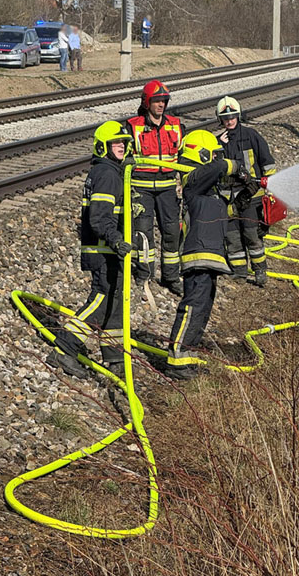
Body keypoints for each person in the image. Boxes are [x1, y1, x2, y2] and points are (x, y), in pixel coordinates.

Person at [47, 121, 140, 379]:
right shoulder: (108, 174)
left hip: (107, 250)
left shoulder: (108, 171)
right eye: (116, 143)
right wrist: (117, 241)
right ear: (103, 147)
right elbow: (99, 218)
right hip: (103, 251)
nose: (122, 145)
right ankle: (65, 347)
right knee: (101, 299)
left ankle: (113, 358)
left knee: (114, 302)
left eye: (123, 141)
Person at [166, 130, 245, 381]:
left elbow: (229, 205)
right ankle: (176, 358)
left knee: (203, 308)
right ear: (202, 155)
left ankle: (189, 358)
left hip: (212, 256)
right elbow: (218, 167)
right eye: (213, 155)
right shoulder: (193, 179)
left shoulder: (210, 188)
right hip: (197, 255)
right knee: (192, 306)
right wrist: (232, 165)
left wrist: (247, 187)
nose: (217, 159)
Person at [126, 80, 184, 296]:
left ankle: (171, 276)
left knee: (171, 233)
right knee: (143, 234)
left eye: (164, 101)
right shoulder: (132, 126)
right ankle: (144, 275)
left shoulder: (176, 125)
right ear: (146, 102)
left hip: (168, 189)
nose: (161, 105)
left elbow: (184, 154)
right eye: (157, 101)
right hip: (141, 189)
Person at [216, 96, 276, 286]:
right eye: (225, 118)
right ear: (220, 120)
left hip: (251, 196)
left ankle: (260, 272)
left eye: (232, 116)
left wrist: (268, 188)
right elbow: (215, 168)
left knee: (251, 235)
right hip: (229, 199)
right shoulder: (219, 142)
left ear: (238, 116)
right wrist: (220, 146)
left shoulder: (251, 136)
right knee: (232, 237)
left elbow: (268, 163)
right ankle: (239, 272)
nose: (229, 120)